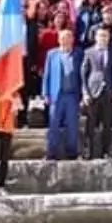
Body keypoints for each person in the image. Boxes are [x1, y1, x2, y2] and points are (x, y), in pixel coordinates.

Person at [42, 28, 84, 160]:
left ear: (72, 39)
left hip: (72, 95)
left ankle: (72, 153)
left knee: (72, 125)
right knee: (53, 124)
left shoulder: (79, 54)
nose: (65, 40)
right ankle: (51, 153)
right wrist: (45, 93)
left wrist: (83, 95)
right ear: (59, 40)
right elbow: (46, 75)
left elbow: (82, 75)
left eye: (68, 37)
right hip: (56, 95)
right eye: (62, 38)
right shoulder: (52, 54)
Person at [81, 26, 112, 160]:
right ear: (96, 37)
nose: (103, 38)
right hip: (93, 91)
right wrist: (85, 93)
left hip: (107, 91)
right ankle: (89, 151)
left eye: (106, 36)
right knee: (91, 123)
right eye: (101, 36)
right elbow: (83, 74)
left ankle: (104, 151)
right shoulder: (89, 52)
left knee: (106, 123)